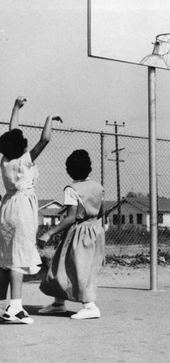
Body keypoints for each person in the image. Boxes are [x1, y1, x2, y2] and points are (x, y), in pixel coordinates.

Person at [0, 97, 62, 324]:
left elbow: (12, 133)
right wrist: (48, 119)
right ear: (22, 148)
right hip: (22, 210)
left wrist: (15, 107)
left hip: (6, 208)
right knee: (18, 259)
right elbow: (44, 140)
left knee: (5, 259)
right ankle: (15, 308)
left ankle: (3, 306)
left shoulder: (6, 160)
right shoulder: (24, 161)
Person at [38, 150, 105, 320]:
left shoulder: (71, 189)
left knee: (76, 269)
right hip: (95, 231)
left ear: (69, 170)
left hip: (78, 233)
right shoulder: (98, 186)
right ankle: (58, 303)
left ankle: (90, 306)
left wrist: (49, 233)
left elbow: (70, 218)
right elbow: (101, 211)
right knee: (65, 266)